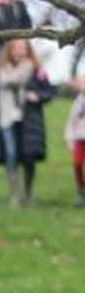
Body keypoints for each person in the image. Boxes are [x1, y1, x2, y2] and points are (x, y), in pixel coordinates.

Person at [0, 39, 53, 208]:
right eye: (16, 48)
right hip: (6, 117)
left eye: (23, 48)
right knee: (11, 154)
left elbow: (49, 92)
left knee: (29, 157)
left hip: (28, 118)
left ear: (28, 50)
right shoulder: (0, 71)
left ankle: (29, 192)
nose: (19, 51)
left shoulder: (36, 70)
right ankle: (14, 195)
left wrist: (38, 97)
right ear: (9, 50)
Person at [67, 75, 85, 208]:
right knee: (77, 164)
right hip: (79, 138)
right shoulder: (78, 102)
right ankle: (81, 191)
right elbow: (71, 120)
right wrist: (69, 137)